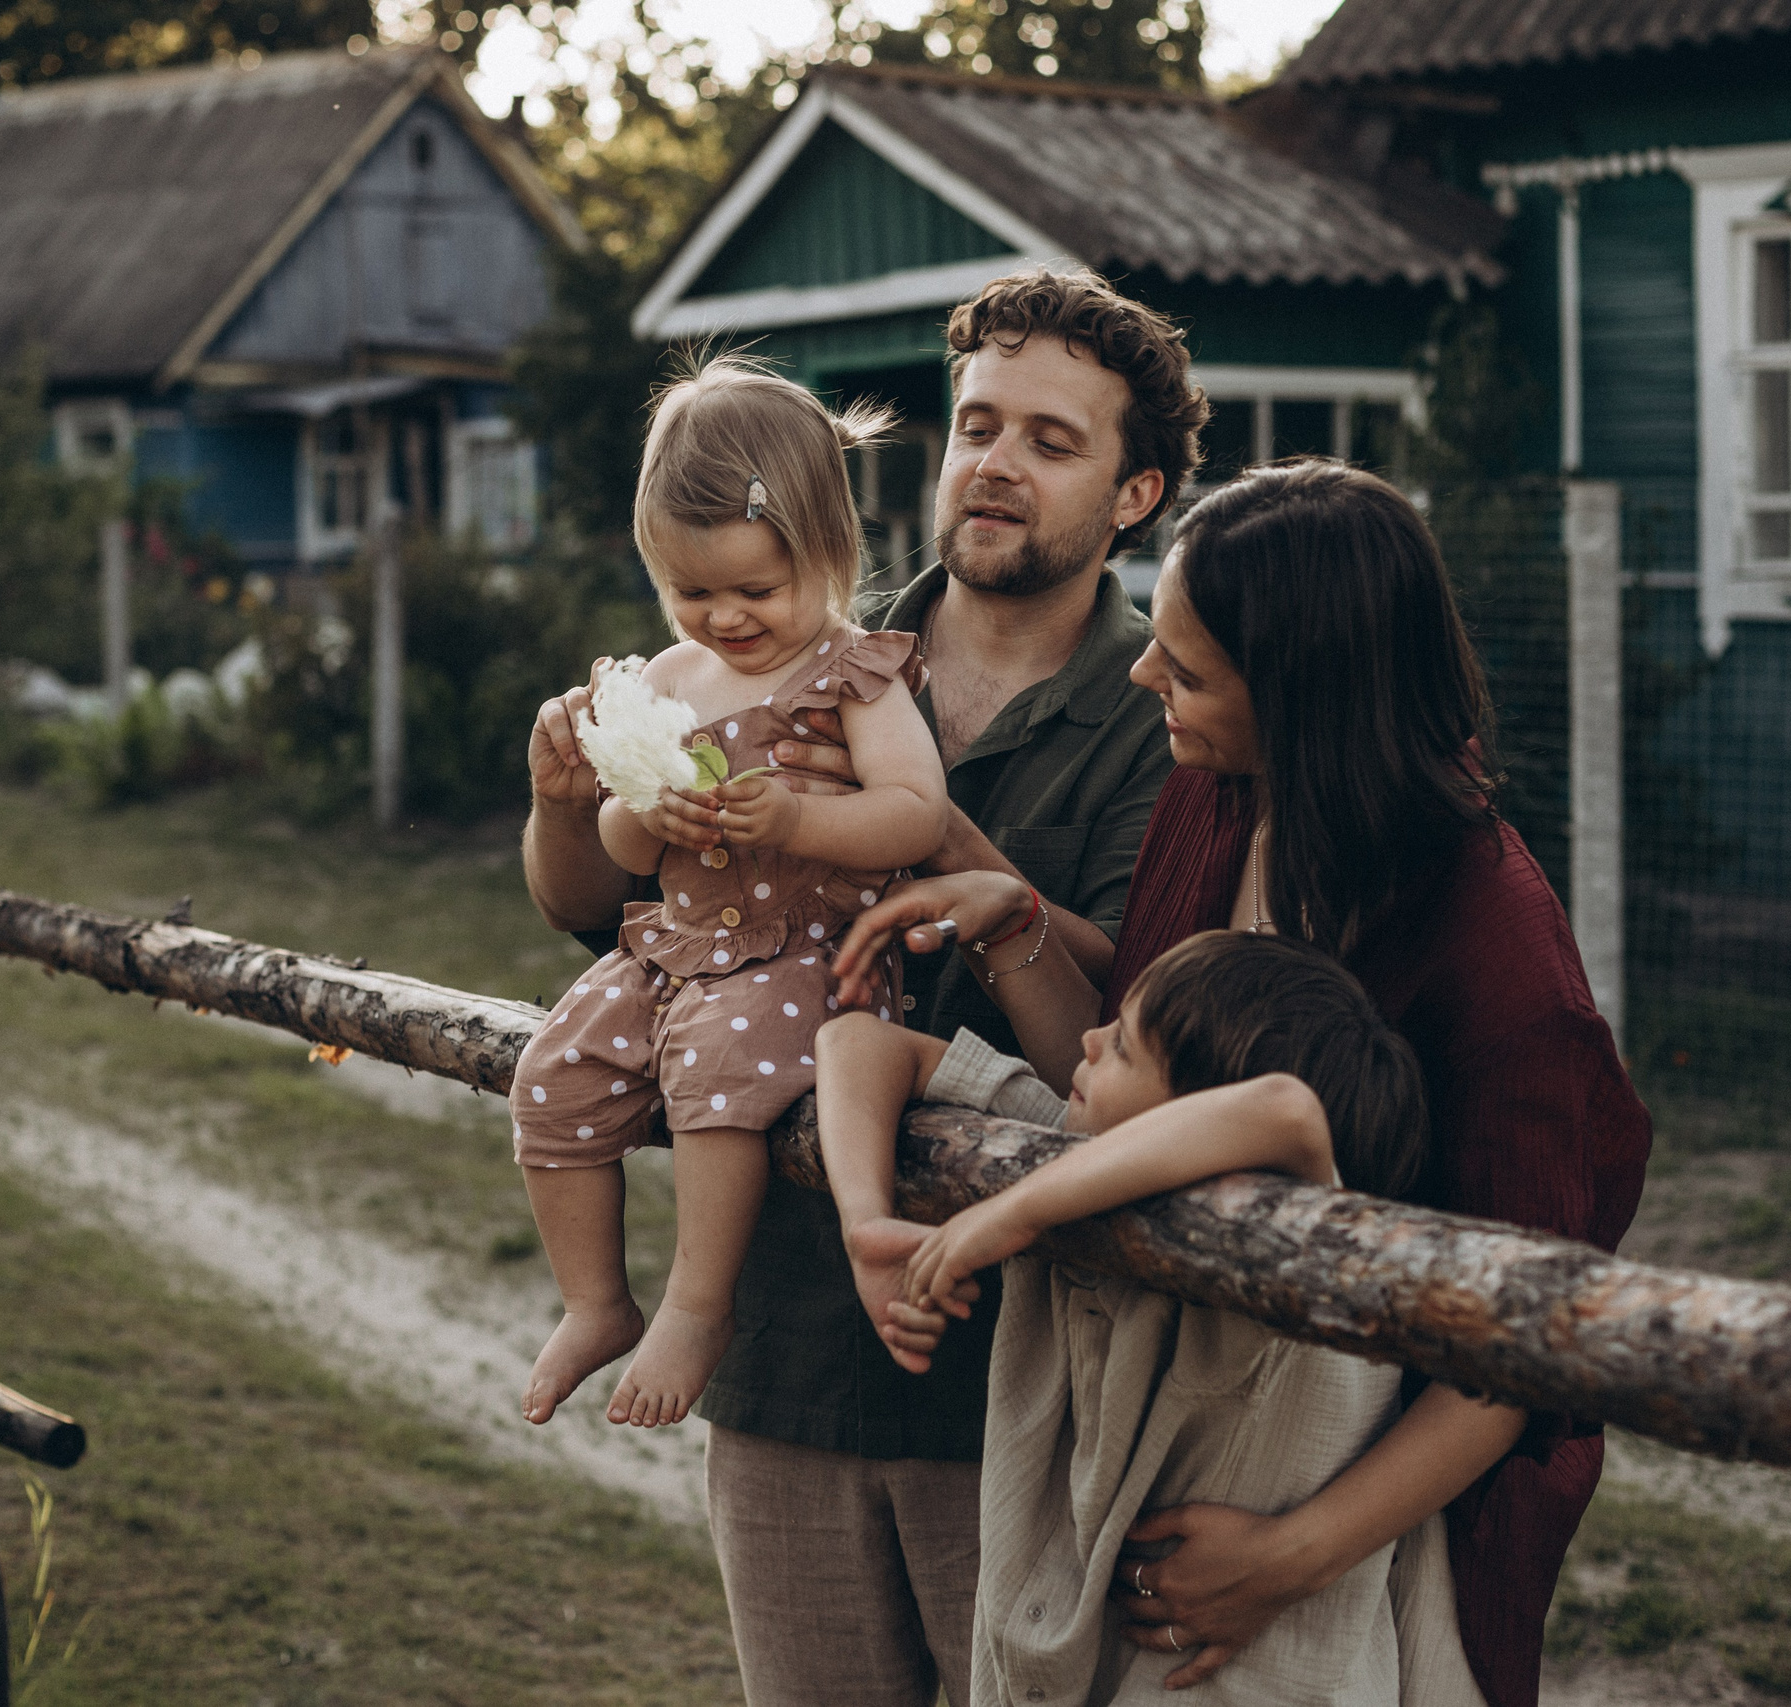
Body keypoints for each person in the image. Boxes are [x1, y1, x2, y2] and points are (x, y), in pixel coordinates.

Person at [835, 459, 1653, 1707]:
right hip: (1163, 1438)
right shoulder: (1216, 799)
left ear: (1306, 696)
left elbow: (1523, 1345)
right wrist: (1018, 929)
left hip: (1357, 1510)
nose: (1141, 676)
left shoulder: (1498, 960)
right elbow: (1123, 1082)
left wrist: (1289, 1557)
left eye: (1188, 666)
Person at [520, 267, 1198, 1706]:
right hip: (778, 1338)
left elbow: (1133, 1046)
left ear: (1135, 494)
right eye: (976, 424)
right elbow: (608, 914)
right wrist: (570, 801)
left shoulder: (1167, 717)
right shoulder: (782, 646)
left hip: (1016, 1374)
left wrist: (942, 839)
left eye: (1051, 441)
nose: (995, 464)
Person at [814, 929, 1484, 1704]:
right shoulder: (1079, 1150)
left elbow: (1287, 1111)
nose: (1089, 1039)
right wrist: (867, 1227)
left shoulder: (1294, 1257)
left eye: (1125, 1045)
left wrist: (1010, 1214)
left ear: (1201, 1106)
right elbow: (859, 1041)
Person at [510, 358, 950, 1429]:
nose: (725, 618)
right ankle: (595, 1299)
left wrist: (800, 818)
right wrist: (635, 812)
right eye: (692, 593)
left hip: (809, 957)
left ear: (830, 551)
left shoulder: (855, 675)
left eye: (756, 590)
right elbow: (618, 846)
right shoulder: (664, 681)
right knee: (551, 1073)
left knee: (716, 1072)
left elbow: (915, 814)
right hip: (676, 948)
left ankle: (698, 1306)